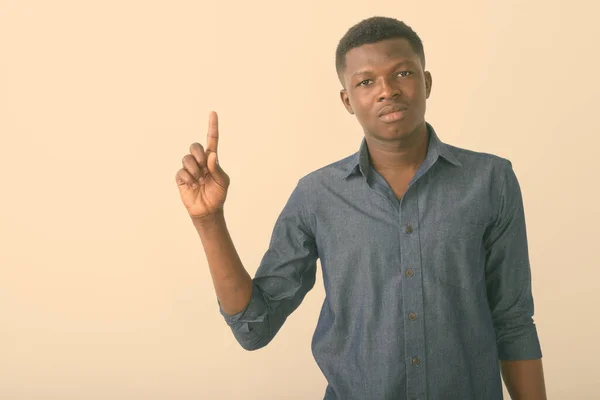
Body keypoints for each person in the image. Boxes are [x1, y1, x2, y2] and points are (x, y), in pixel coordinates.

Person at [175, 16, 546, 400]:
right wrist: (209, 220)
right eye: (366, 81)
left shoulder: (490, 181)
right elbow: (254, 327)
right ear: (347, 101)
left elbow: (513, 322)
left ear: (427, 82)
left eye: (402, 72)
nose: (387, 90)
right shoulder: (317, 195)